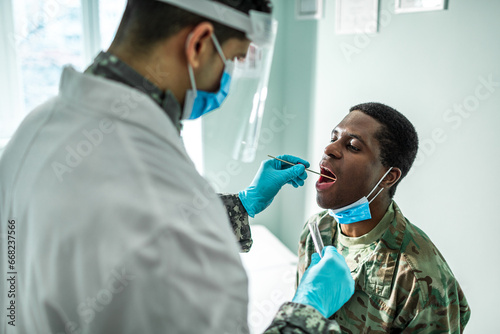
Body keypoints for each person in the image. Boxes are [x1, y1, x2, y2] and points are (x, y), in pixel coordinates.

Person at [0, 0, 355, 333]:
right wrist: (307, 312)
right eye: (233, 59)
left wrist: (242, 204)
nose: (227, 79)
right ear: (200, 44)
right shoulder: (165, 207)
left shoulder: (33, 131)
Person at [296, 102, 471, 333]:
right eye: (333, 138)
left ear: (388, 177)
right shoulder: (316, 231)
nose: (330, 150)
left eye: (352, 146)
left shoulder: (419, 278)